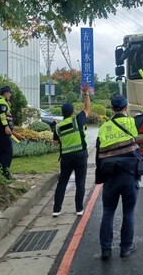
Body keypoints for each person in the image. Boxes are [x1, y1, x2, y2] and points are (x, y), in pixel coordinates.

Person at [96, 85, 143, 260]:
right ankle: (125, 248)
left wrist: (101, 177)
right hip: (129, 175)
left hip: (110, 177)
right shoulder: (131, 122)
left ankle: (105, 250)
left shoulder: (103, 128)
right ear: (126, 107)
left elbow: (98, 156)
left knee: (108, 211)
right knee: (128, 212)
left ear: (112, 109)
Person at [52, 83, 91, 217]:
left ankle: (56, 209)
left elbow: (55, 143)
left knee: (62, 181)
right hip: (80, 155)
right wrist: (85, 93)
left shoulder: (58, 127)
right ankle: (79, 209)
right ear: (72, 112)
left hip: (66, 157)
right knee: (80, 182)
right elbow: (87, 108)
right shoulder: (77, 120)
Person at [0, 85, 15, 179]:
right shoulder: (1, 102)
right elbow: (2, 115)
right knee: (7, 151)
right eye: (9, 92)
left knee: (1, 151)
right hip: (2, 131)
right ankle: (5, 172)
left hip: (0, 131)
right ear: (6, 93)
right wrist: (6, 126)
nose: (10, 94)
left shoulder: (3, 101)